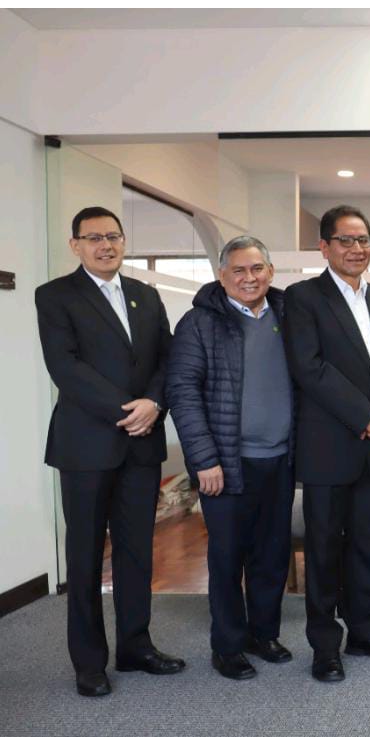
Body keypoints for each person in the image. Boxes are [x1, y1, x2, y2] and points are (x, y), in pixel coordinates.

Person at [35, 206, 184, 697]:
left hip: (141, 446)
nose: (106, 245)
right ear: (75, 244)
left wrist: (154, 402)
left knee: (137, 553)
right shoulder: (55, 296)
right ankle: (89, 662)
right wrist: (129, 410)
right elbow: (65, 367)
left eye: (114, 236)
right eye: (94, 237)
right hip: (86, 445)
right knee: (84, 557)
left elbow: (167, 358)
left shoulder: (145, 295)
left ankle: (136, 646)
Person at [283, 205, 370, 683]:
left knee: (366, 547)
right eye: (346, 240)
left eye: (364, 240)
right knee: (322, 551)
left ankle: (365, 631)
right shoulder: (302, 298)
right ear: (324, 247)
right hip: (329, 448)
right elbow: (309, 367)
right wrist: (365, 416)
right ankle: (324, 646)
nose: (357, 249)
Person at [166, 236, 295, 681]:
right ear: (222, 275)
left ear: (270, 272)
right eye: (238, 270)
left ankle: (264, 634)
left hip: (280, 459)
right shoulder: (199, 323)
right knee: (227, 559)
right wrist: (204, 459)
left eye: (257, 268)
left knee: (271, 556)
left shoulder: (288, 315)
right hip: (226, 464)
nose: (249, 278)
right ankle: (228, 646)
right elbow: (182, 393)